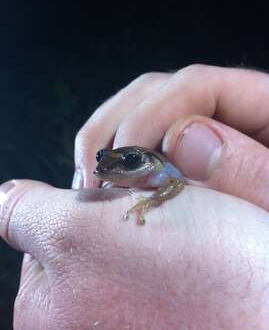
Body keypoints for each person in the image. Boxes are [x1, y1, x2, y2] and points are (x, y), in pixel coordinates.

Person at [1, 64, 269, 329]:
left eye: (130, 160)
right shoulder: (121, 173)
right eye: (101, 158)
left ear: (146, 161)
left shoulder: (158, 171)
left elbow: (175, 183)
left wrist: (152, 202)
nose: (111, 166)